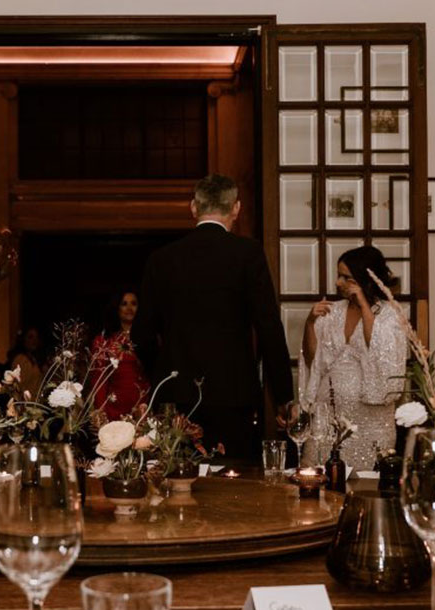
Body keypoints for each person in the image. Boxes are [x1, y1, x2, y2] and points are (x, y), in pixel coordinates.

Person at [132, 174, 293, 461]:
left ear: (194, 207)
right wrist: (282, 396)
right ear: (236, 208)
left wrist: (164, 375)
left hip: (175, 395)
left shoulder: (162, 259)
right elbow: (268, 326)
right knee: (233, 487)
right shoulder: (248, 254)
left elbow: (141, 334)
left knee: (177, 479)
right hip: (233, 392)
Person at [299, 245, 408, 470]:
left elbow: (380, 353)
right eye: (339, 276)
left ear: (364, 280)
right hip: (328, 419)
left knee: (366, 489)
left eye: (346, 277)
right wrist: (310, 323)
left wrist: (365, 305)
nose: (338, 282)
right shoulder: (333, 311)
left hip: (371, 423)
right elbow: (313, 361)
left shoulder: (390, 315)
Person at [90, 291, 150, 421]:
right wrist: (100, 413)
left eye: (134, 304)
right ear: (117, 308)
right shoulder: (104, 342)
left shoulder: (149, 340)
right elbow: (99, 381)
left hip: (142, 408)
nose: (129, 308)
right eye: (124, 304)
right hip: (114, 410)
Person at [6, 327, 45, 397]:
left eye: (36, 337)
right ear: (23, 339)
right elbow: (17, 386)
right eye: (30, 337)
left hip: (35, 402)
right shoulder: (20, 359)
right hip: (24, 403)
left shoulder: (35, 359)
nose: (34, 340)